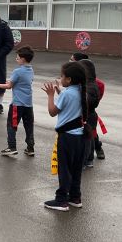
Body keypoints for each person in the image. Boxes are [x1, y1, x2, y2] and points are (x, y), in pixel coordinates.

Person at [41, 62, 91, 211]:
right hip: (81, 137)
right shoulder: (81, 91)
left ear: (69, 79)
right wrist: (59, 92)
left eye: (62, 76)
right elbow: (70, 104)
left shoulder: (67, 94)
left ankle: (61, 200)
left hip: (67, 138)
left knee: (64, 169)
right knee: (76, 169)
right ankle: (75, 197)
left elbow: (52, 112)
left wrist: (50, 95)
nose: (60, 78)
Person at [0, 45, 35, 157]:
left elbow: (9, 86)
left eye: (18, 57)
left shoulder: (18, 71)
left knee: (11, 125)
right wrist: (11, 82)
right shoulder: (31, 70)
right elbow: (23, 83)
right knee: (29, 126)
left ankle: (12, 147)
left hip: (17, 104)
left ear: (23, 59)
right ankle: (30, 148)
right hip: (29, 104)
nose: (16, 59)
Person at [70, 53, 106, 159]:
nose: (70, 62)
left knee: (90, 133)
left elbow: (95, 99)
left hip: (87, 112)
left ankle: (97, 149)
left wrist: (86, 106)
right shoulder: (73, 79)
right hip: (77, 112)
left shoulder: (96, 84)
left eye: (72, 60)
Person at [79, 59, 101, 169]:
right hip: (90, 115)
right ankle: (88, 159)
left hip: (88, 115)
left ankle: (86, 160)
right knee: (89, 137)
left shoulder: (90, 86)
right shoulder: (91, 84)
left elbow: (87, 101)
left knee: (86, 139)